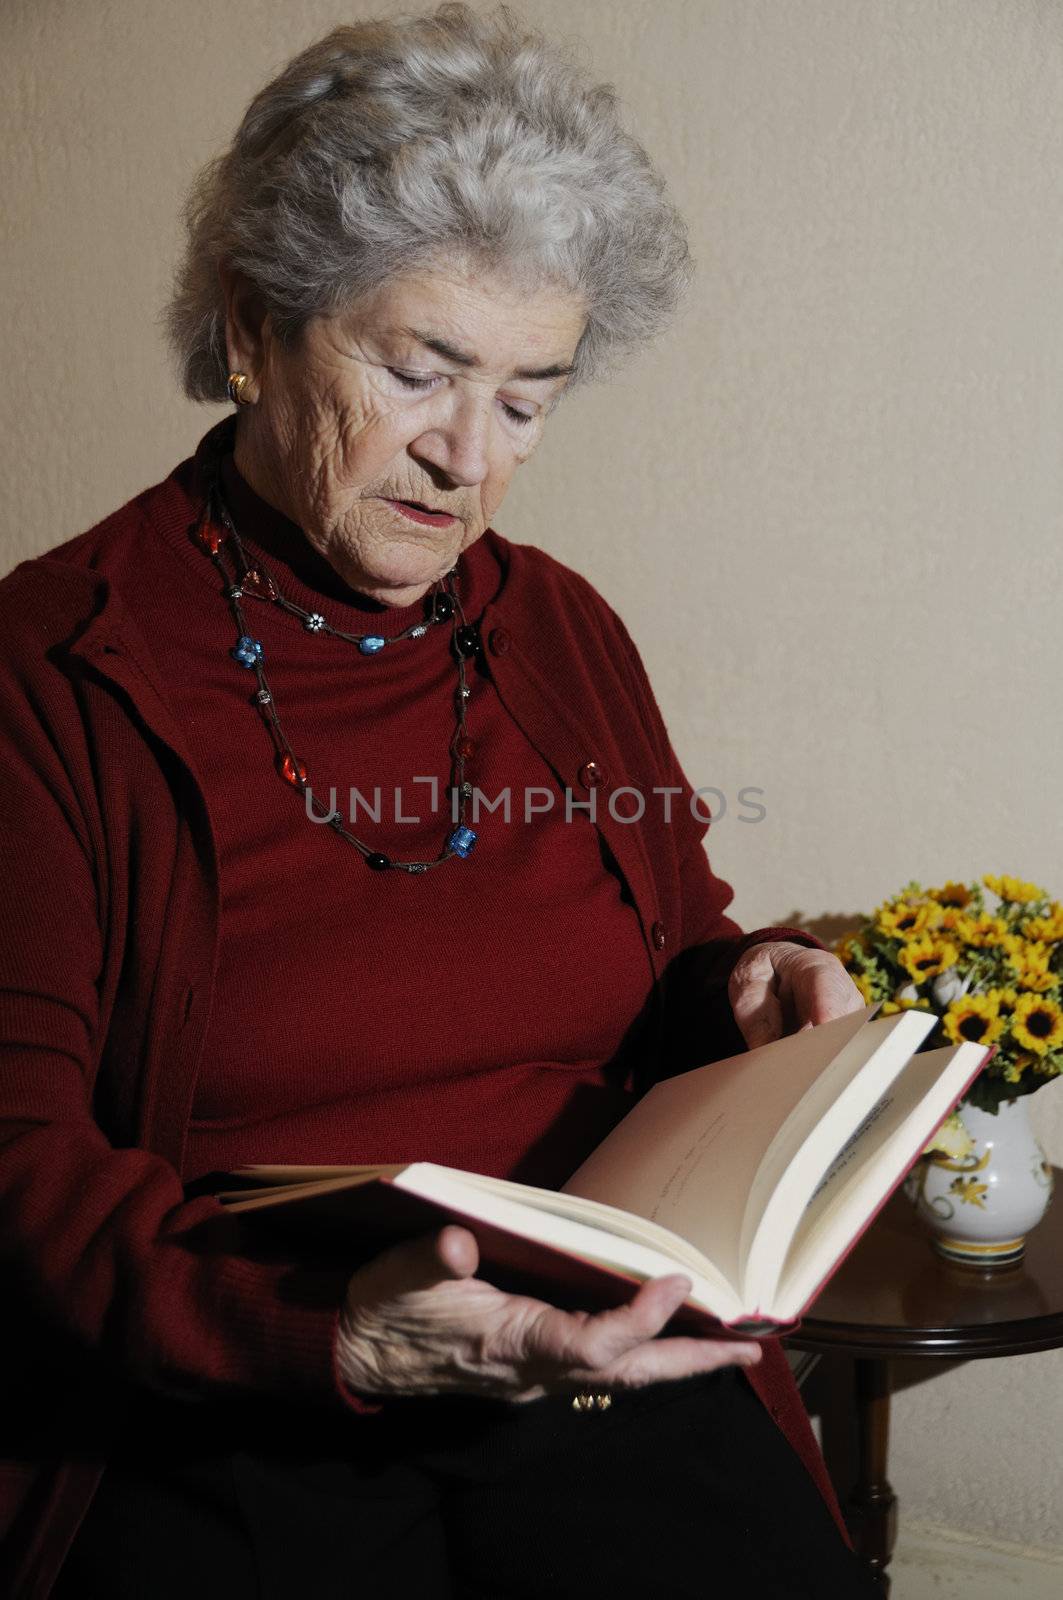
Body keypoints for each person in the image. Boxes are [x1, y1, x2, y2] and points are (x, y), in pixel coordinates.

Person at [0, 6, 876, 1595]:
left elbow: (670, 957)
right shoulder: (48, 673)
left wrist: (740, 989)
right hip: (246, 1381)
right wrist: (330, 1337)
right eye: (418, 371)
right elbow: (17, 1159)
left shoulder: (556, 627)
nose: (468, 459)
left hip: (594, 1355)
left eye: (530, 399)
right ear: (255, 326)